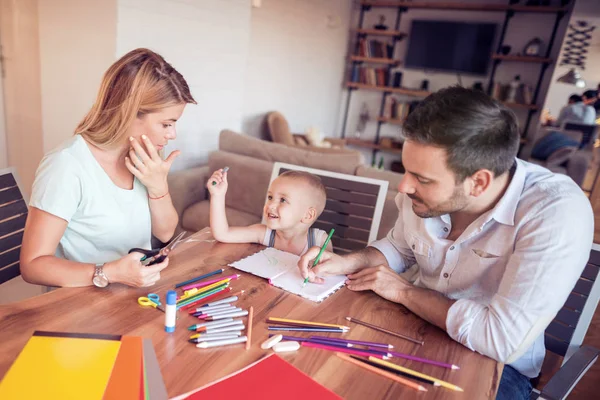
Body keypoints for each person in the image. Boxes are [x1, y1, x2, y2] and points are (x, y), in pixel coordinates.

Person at [298, 86, 593, 400]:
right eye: (406, 170)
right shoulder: (422, 196)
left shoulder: (554, 213)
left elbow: (499, 340)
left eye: (422, 179)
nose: (404, 186)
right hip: (413, 325)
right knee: (316, 374)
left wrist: (404, 291)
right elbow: (400, 248)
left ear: (478, 182)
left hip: (495, 366)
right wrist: (347, 261)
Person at [20, 48, 196, 288]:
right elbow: (32, 265)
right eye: (166, 124)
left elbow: (165, 234)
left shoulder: (144, 158)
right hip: (79, 306)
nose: (172, 134)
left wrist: (158, 188)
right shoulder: (66, 165)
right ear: (130, 113)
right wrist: (110, 272)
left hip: (131, 295)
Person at [207, 169, 332, 256]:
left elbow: (326, 272)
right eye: (270, 197)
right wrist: (217, 195)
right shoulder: (263, 233)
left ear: (307, 215)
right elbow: (222, 234)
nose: (271, 205)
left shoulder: (320, 241)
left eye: (283, 200)